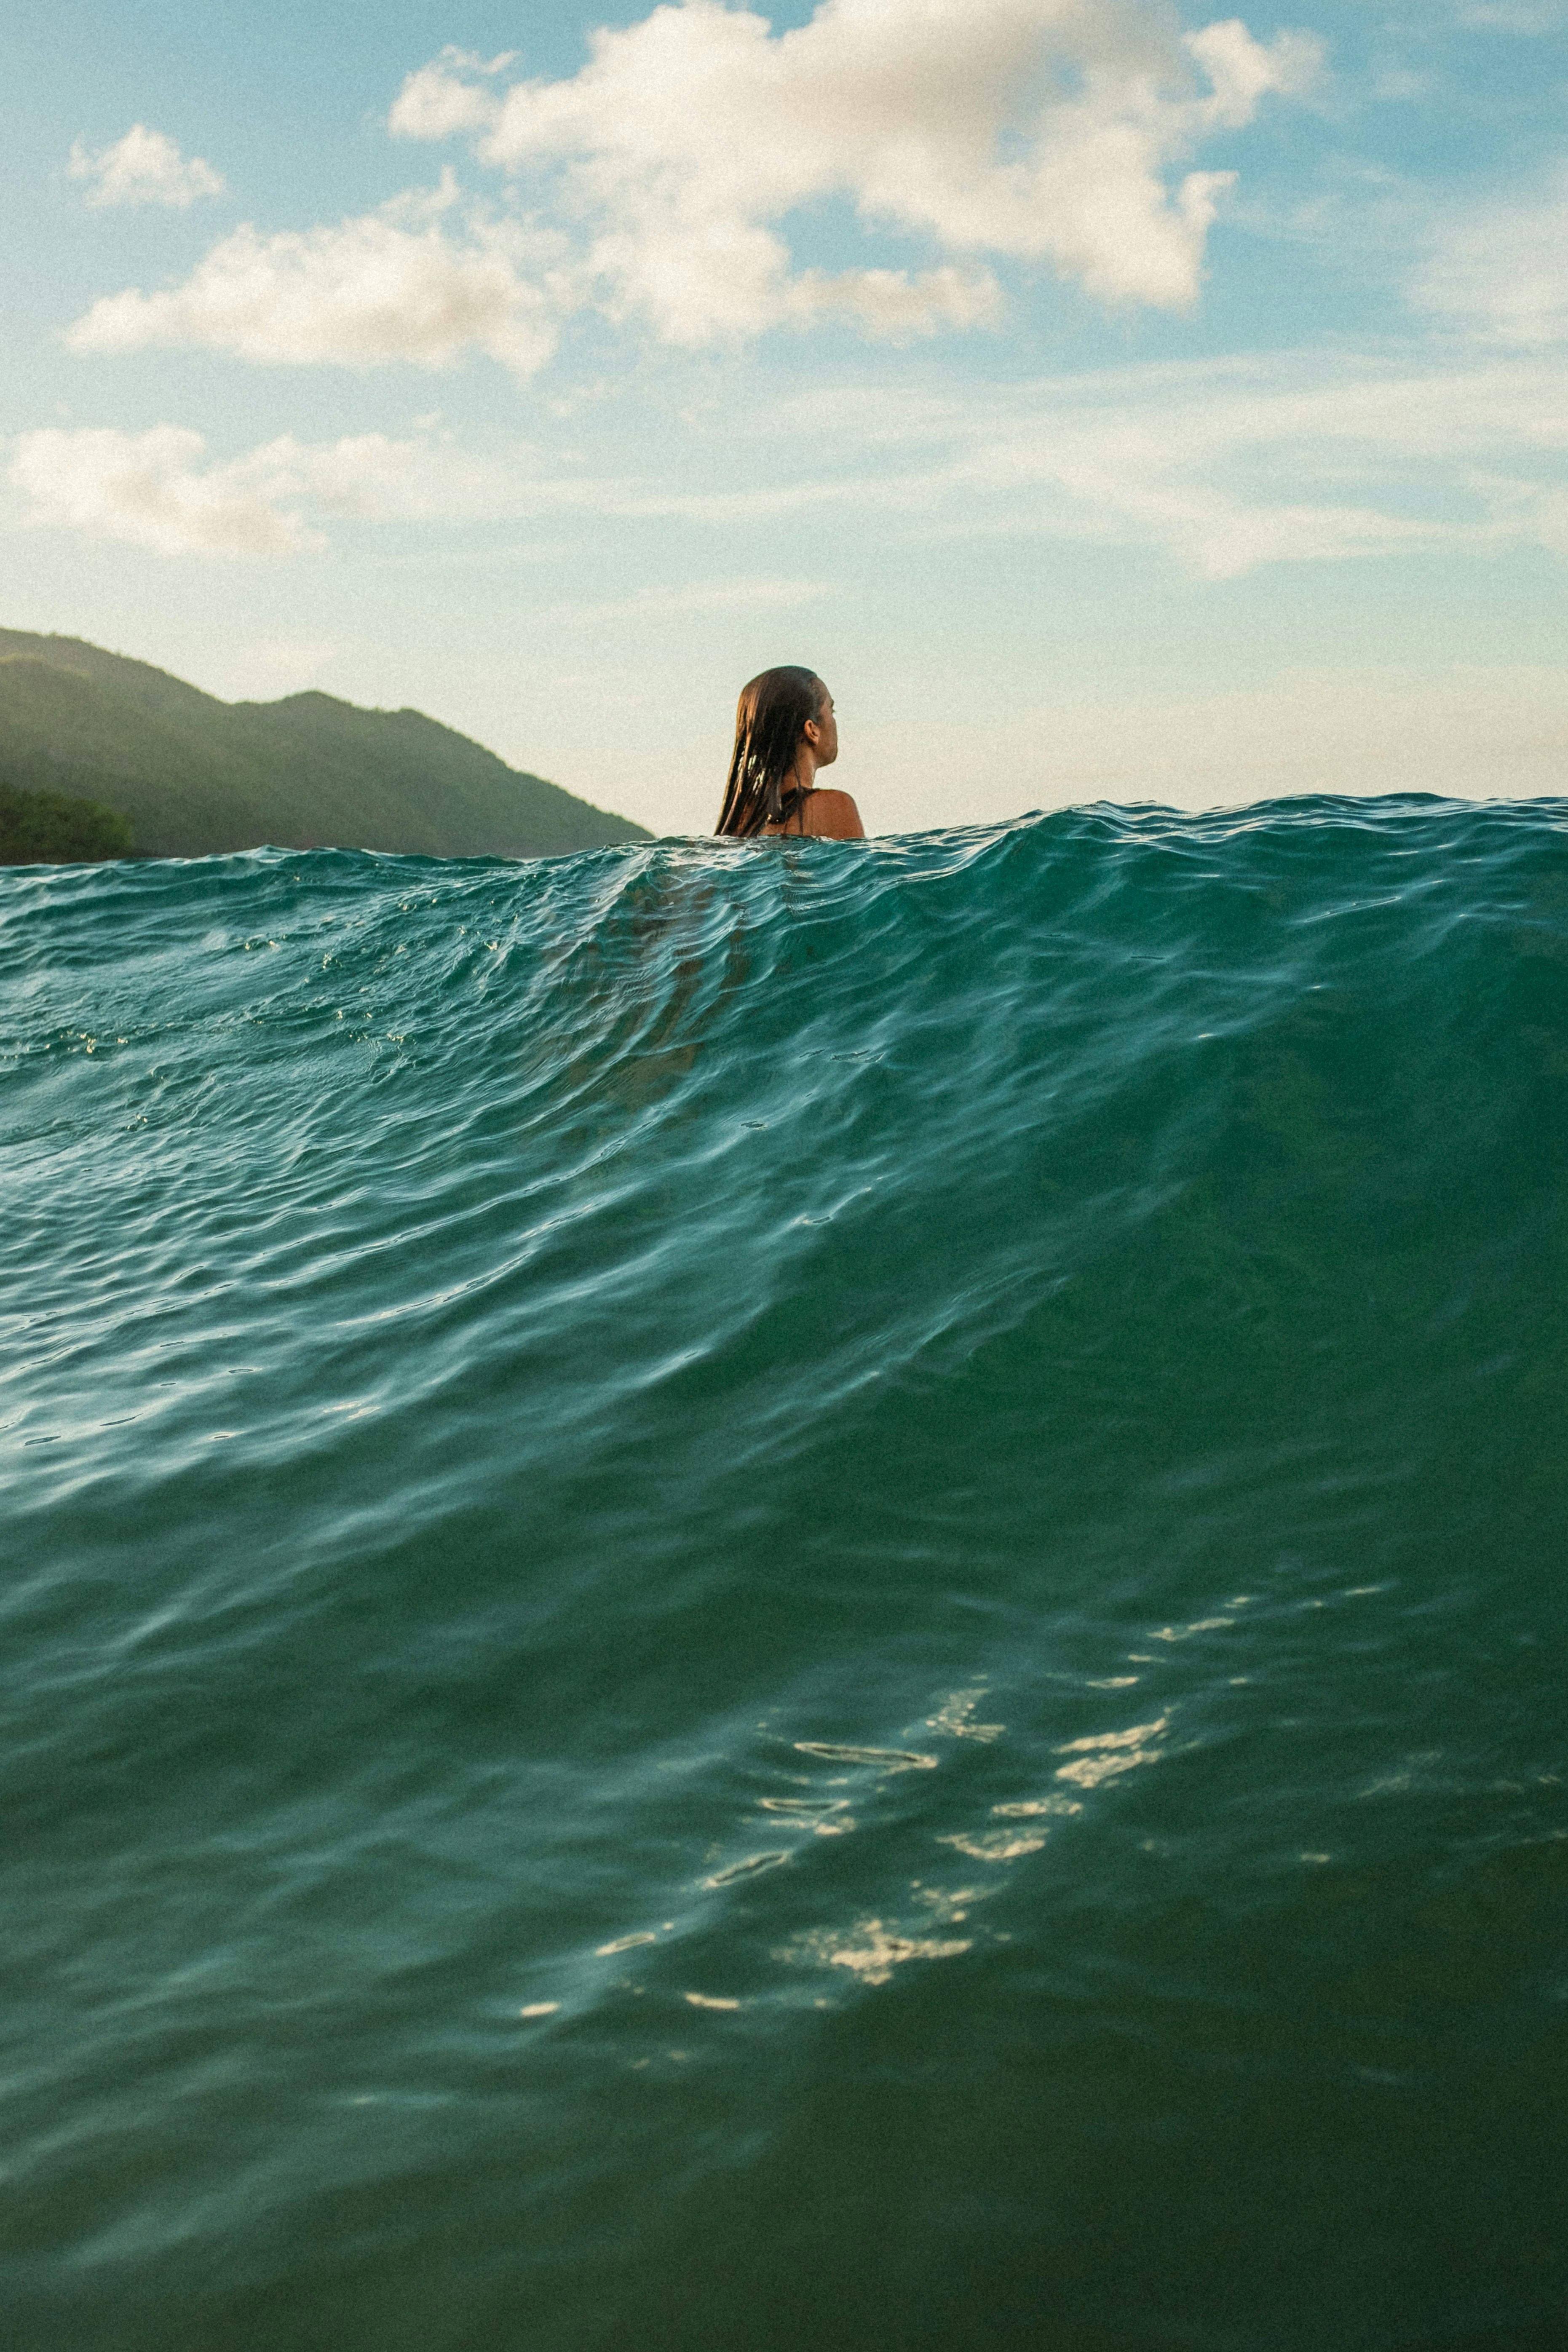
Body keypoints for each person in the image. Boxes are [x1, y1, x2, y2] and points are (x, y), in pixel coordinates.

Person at [714, 666, 865, 839]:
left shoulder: (740, 819)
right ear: (812, 730)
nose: (834, 721)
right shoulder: (834, 807)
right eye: (832, 711)